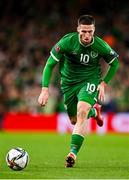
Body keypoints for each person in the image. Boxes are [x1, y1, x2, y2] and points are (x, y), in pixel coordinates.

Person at [38, 15, 119, 167]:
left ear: (94, 30)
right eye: (83, 32)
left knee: (82, 111)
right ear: (78, 30)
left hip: (89, 80)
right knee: (74, 120)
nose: (87, 35)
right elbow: (49, 65)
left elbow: (115, 64)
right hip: (68, 83)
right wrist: (44, 90)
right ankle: (95, 112)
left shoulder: (101, 46)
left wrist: (103, 83)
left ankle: (72, 154)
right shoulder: (67, 42)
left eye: (90, 31)